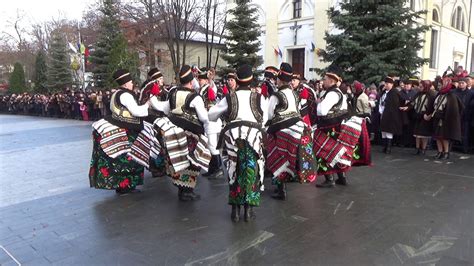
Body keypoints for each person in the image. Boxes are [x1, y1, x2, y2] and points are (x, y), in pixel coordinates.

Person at [208, 64, 267, 222]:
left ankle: (235, 210)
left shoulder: (229, 98)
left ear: (237, 80)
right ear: (251, 80)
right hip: (253, 138)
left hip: (233, 137)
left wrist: (225, 115)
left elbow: (211, 115)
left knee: (234, 169)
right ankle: (249, 210)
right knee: (252, 170)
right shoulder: (259, 98)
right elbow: (266, 118)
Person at [149, 65, 212, 201]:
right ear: (190, 81)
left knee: (178, 162)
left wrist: (152, 97)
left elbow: (164, 108)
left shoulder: (172, 92)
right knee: (191, 162)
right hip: (191, 135)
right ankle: (187, 191)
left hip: (174, 133)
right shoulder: (195, 97)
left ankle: (182, 190)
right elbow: (204, 118)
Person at [89, 69, 151, 194]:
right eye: (131, 82)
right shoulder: (126, 95)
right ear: (126, 83)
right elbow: (136, 111)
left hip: (118, 124)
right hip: (127, 128)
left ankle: (121, 185)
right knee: (129, 158)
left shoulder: (116, 93)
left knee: (119, 159)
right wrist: (147, 105)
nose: (132, 84)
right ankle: (126, 186)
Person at [266, 63, 318, 199]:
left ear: (280, 79)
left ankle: (281, 188)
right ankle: (286, 184)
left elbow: (269, 115)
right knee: (288, 159)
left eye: (277, 78)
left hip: (281, 131)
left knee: (278, 157)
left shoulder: (276, 95)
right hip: (297, 128)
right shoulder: (295, 94)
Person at [313, 72, 368, 187]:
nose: (323, 81)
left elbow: (321, 111)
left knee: (322, 152)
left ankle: (329, 179)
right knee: (338, 152)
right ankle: (341, 177)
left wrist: (318, 103)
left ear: (332, 81)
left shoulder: (332, 94)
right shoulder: (339, 93)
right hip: (338, 126)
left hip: (328, 128)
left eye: (325, 79)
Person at [425, 77, 464, 160]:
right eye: (438, 85)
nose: (438, 87)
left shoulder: (451, 95)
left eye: (440, 85)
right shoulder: (439, 94)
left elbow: (453, 110)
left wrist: (443, 116)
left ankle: (446, 152)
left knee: (444, 137)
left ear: (445, 84)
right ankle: (440, 152)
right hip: (436, 118)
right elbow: (433, 106)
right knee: (437, 137)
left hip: (445, 120)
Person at [197, 68, 225, 179]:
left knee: (212, 145)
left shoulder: (209, 88)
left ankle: (218, 168)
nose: (199, 81)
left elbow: (213, 88)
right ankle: (213, 168)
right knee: (209, 146)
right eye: (199, 79)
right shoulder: (201, 89)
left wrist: (210, 78)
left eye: (201, 79)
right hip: (207, 121)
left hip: (211, 121)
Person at [404, 80, 436, 155]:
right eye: (419, 86)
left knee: (424, 134)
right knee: (417, 133)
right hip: (417, 114)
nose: (419, 87)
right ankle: (417, 148)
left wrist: (429, 114)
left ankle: (423, 149)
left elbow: (432, 106)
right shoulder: (418, 94)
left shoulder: (431, 94)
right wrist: (407, 107)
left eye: (421, 86)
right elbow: (413, 102)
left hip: (425, 115)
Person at [379, 77, 403, 154]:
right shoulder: (384, 92)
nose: (386, 85)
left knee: (389, 130)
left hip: (390, 115)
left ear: (392, 84)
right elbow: (381, 101)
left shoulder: (394, 92)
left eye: (387, 84)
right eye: (385, 84)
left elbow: (395, 104)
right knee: (383, 130)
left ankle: (388, 147)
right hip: (383, 113)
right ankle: (384, 146)